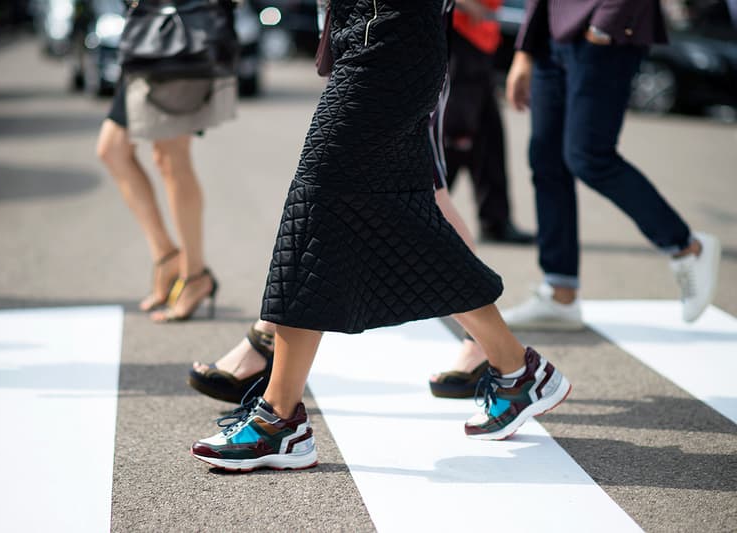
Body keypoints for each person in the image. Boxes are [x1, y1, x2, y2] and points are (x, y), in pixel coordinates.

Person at [190, 0, 571, 472]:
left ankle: (279, 420)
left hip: (387, 45)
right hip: (377, 41)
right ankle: (517, 369)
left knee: (314, 212)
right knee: (401, 223)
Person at [499, 0, 721, 330]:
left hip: (604, 32)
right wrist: (525, 50)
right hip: (551, 36)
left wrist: (607, 24)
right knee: (546, 162)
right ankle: (561, 294)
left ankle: (688, 247)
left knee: (589, 157)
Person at [96, 3, 236, 322]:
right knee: (113, 149)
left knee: (171, 155)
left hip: (180, 30)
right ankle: (167, 255)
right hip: (148, 27)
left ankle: (194, 275)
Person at [443, 0, 534, 244]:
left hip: (481, 36)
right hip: (459, 34)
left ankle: (495, 222)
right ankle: (424, 215)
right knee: (456, 136)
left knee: (489, 137)